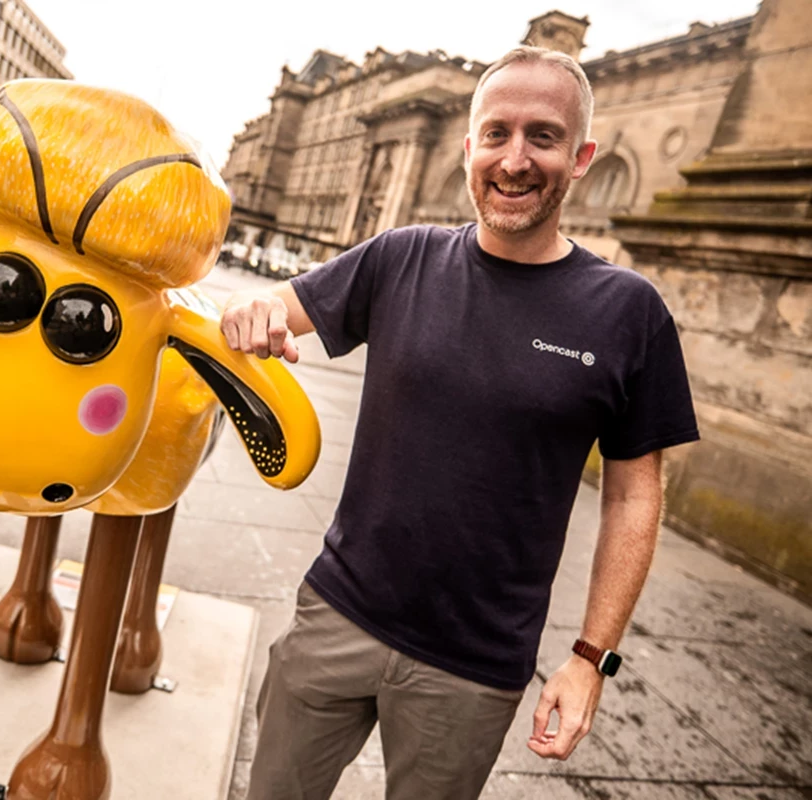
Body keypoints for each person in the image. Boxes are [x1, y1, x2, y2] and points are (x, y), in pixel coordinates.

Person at [220, 46, 700, 800]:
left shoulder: (630, 313)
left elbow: (635, 496)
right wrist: (251, 313)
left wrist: (589, 658)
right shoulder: (400, 257)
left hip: (473, 670)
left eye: (542, 136)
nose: (515, 159)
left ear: (582, 157)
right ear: (468, 146)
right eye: (497, 134)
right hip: (336, 618)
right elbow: (275, 308)